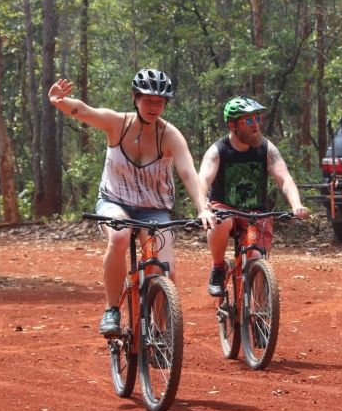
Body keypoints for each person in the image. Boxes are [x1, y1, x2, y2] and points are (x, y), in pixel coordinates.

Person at [48, 69, 217, 336]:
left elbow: (188, 172)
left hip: (155, 209)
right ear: (135, 98)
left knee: (167, 272)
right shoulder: (117, 124)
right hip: (115, 202)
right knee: (119, 236)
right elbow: (84, 110)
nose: (154, 107)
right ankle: (112, 310)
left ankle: (160, 334)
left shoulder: (170, 135)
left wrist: (202, 208)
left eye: (160, 102)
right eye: (148, 100)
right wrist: (59, 101)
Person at [198, 96, 309, 296]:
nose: (255, 125)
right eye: (248, 121)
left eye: (257, 118)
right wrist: (203, 209)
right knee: (221, 221)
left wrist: (296, 204)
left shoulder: (266, 148)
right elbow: (203, 181)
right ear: (232, 125)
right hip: (225, 207)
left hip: (255, 212)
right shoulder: (218, 151)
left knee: (255, 258)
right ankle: (218, 268)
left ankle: (255, 314)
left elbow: (285, 179)